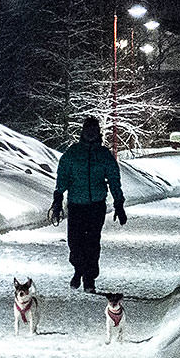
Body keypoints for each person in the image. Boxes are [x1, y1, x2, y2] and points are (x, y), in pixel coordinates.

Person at [49, 116, 126, 292]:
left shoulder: (104, 154)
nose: (90, 133)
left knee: (92, 242)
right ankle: (78, 270)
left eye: (94, 130)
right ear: (83, 131)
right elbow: (63, 176)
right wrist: (58, 196)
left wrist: (119, 203)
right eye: (88, 130)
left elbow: (114, 179)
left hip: (96, 206)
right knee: (75, 242)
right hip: (76, 205)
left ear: (97, 132)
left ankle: (89, 278)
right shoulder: (73, 153)